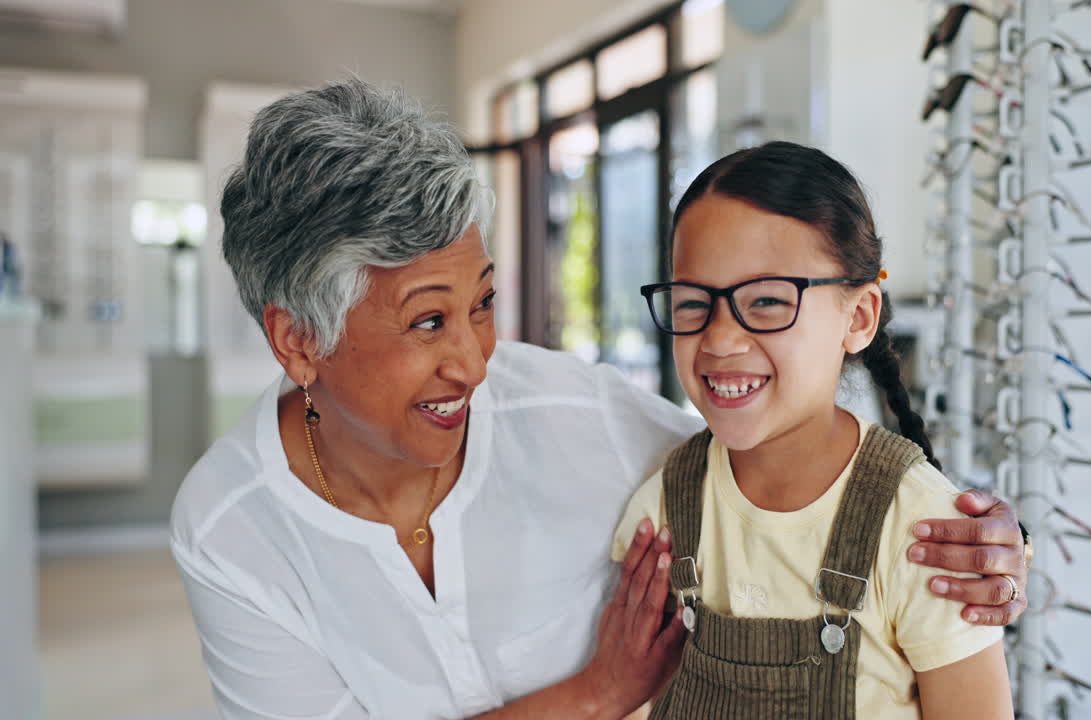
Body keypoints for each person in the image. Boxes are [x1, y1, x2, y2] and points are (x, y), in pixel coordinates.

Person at [169, 78, 1029, 720]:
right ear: (297, 342)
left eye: (483, 304)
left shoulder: (588, 423)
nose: (474, 363)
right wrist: (598, 693)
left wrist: (986, 544)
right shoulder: (231, 531)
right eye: (428, 321)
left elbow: (772, 462)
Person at [612, 141, 1015, 718]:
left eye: (769, 301)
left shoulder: (927, 533)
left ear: (858, 318)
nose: (721, 339)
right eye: (694, 302)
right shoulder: (664, 509)